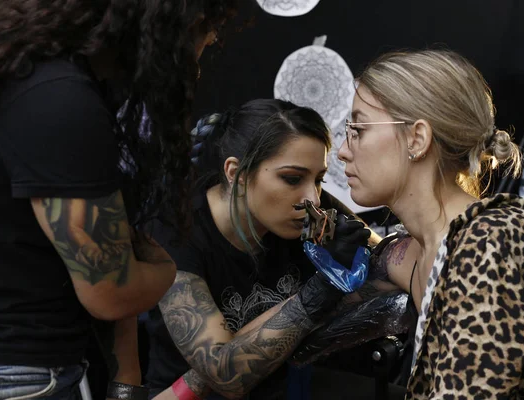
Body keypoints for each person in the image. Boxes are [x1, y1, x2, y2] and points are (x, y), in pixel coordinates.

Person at [0, 1, 237, 399]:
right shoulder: (61, 101)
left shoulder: (21, 69)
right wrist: (164, 269)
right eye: (205, 39)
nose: (197, 66)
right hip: (13, 376)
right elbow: (112, 291)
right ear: (176, 25)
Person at [338, 49, 524, 399]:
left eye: (358, 128)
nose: (343, 149)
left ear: (416, 139)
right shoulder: (429, 247)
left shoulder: (489, 247)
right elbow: (392, 257)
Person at [145, 99, 375, 400]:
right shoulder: (179, 236)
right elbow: (225, 374)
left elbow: (388, 262)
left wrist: (363, 253)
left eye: (317, 179)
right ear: (235, 173)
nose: (313, 198)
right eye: (292, 178)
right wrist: (326, 287)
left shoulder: (308, 216)